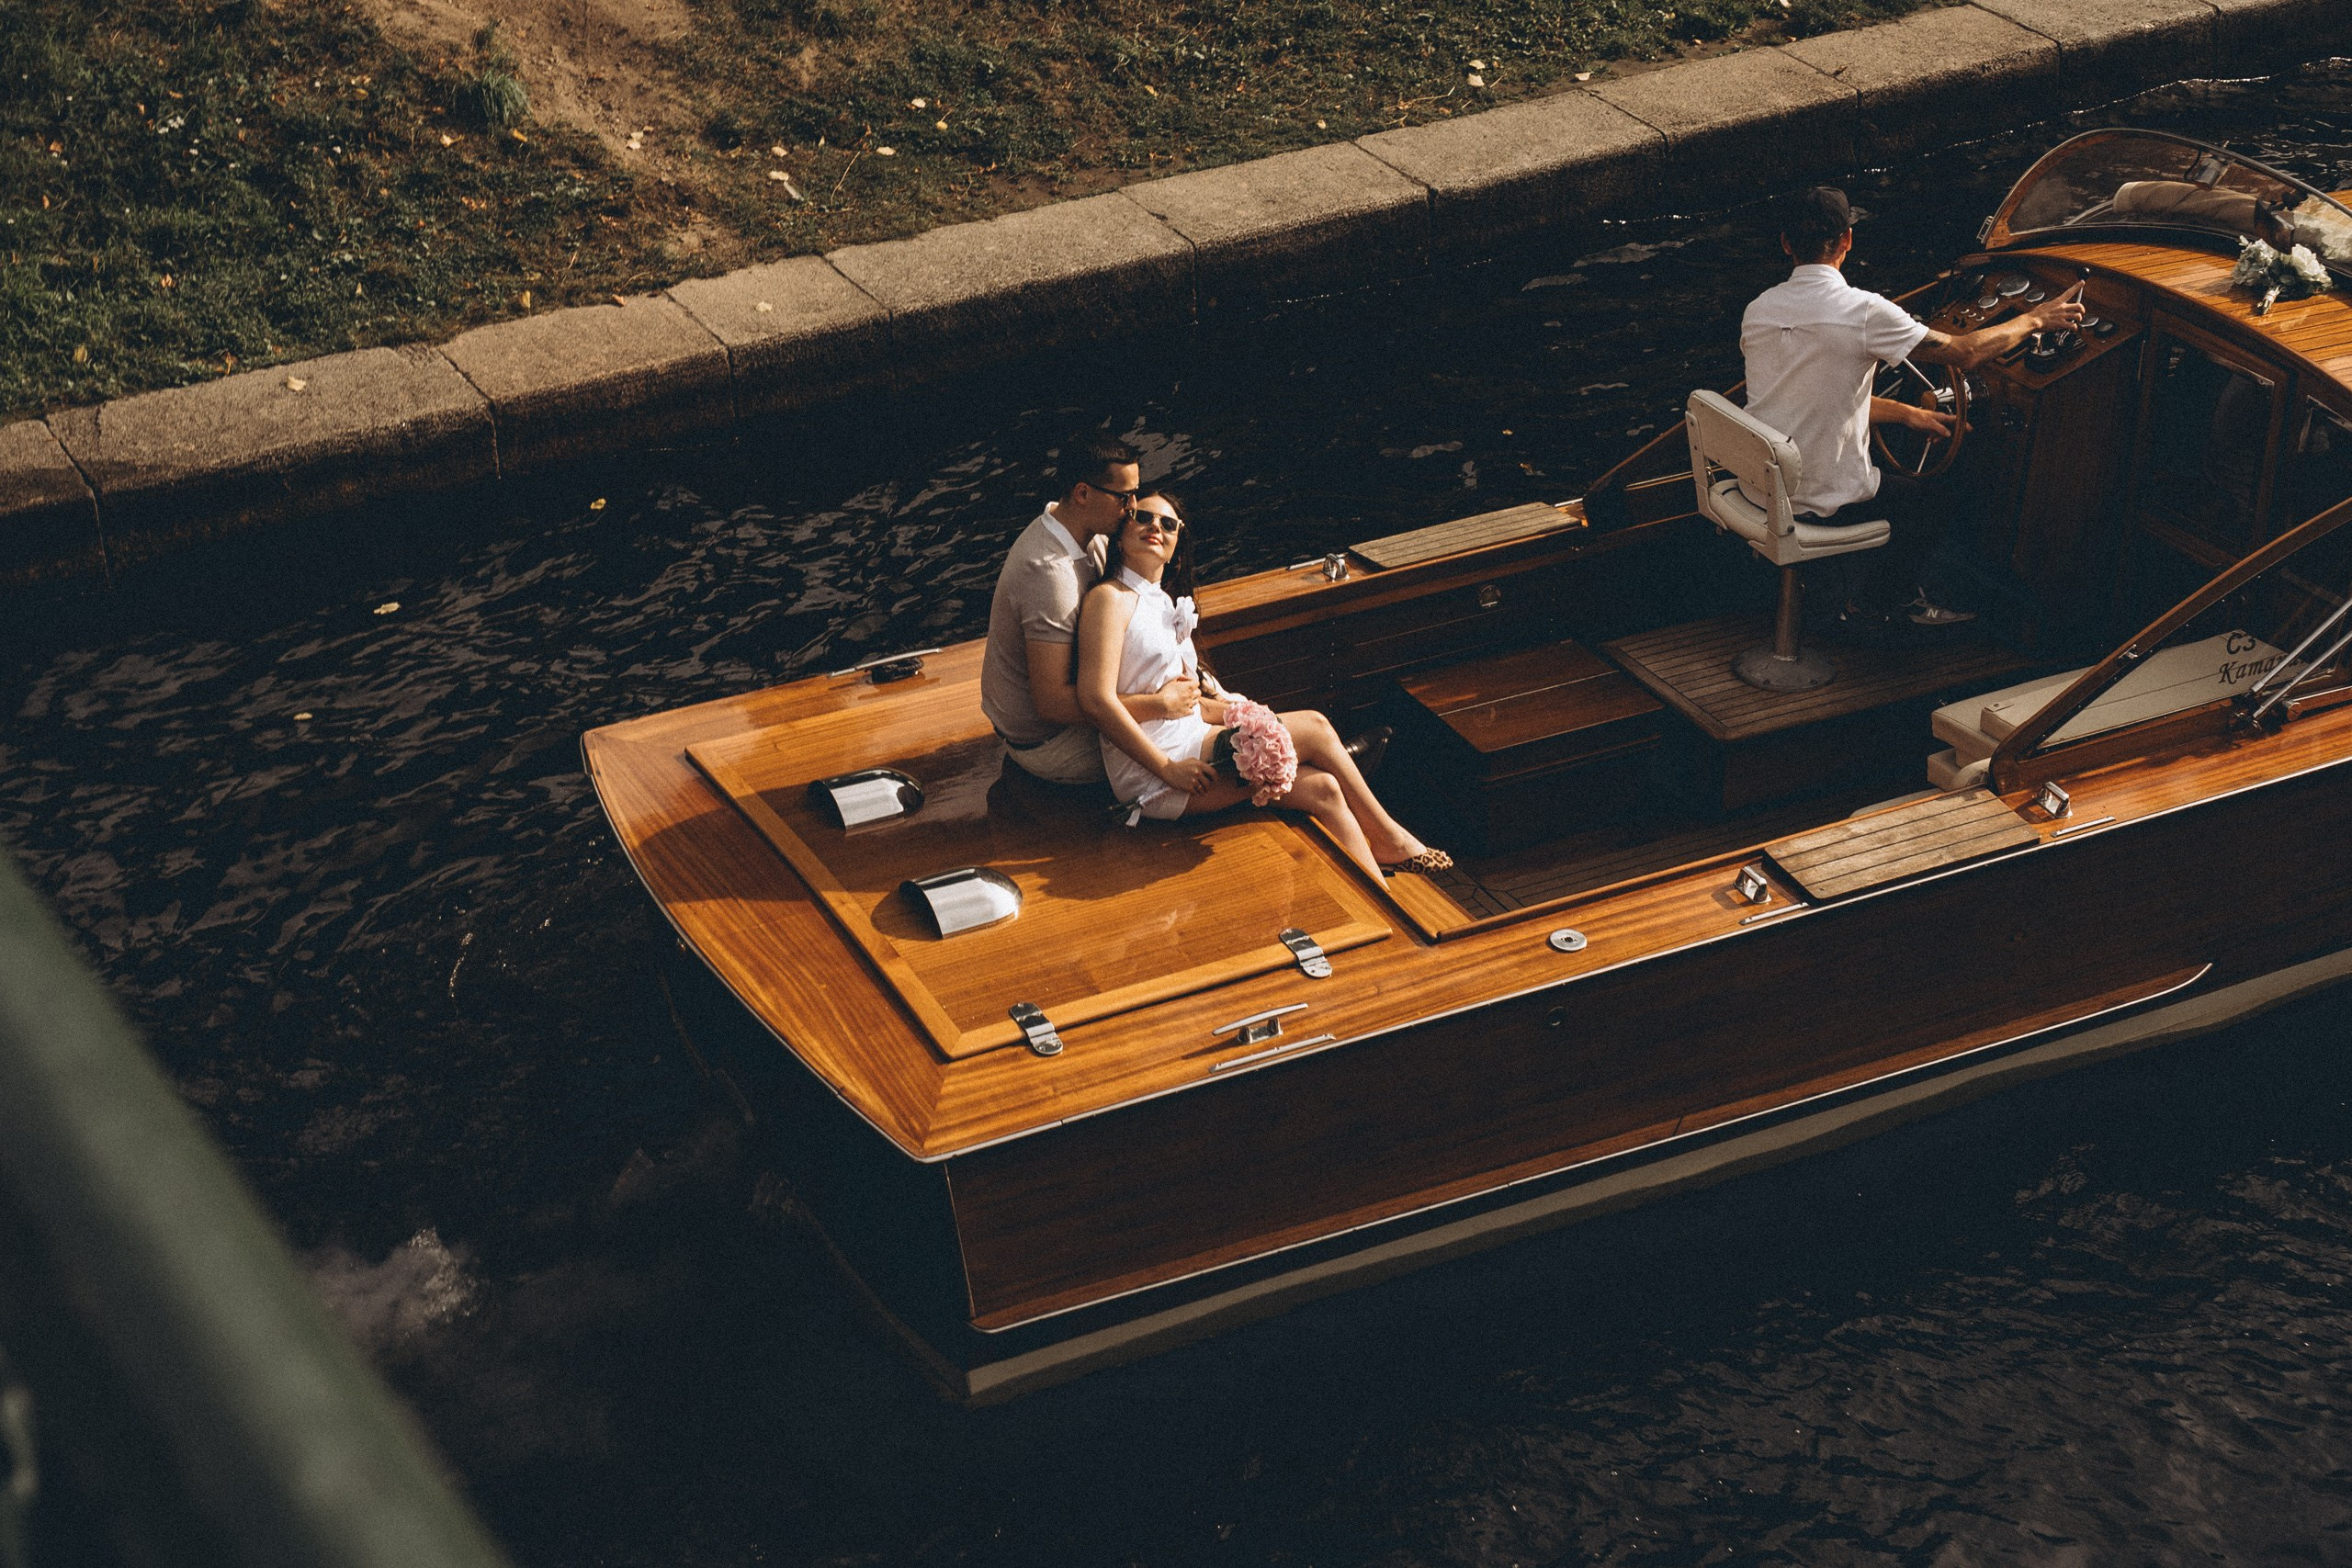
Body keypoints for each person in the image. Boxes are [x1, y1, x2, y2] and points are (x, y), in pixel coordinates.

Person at [1741, 185, 2086, 633]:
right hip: (1815, 499)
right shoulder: (1864, 311)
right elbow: (1965, 353)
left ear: (1786, 244)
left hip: (1760, 487)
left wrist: (1908, 414)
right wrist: (2036, 319)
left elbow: (1812, 398)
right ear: (1847, 240)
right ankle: (1881, 605)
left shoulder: (1759, 309)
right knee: (1936, 501)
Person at [1074, 491, 1451, 881]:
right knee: (1316, 727)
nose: (1155, 526)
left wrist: (1251, 716)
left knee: (1324, 789)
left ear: (1176, 552)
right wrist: (1168, 769)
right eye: (1144, 517)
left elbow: (1190, 703)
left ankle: (1378, 893)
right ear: (1121, 536)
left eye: (1168, 524)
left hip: (1190, 738)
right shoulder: (1110, 599)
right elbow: (1096, 701)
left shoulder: (1165, 604)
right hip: (1155, 767)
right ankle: (1390, 838)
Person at [980, 435, 1200, 784]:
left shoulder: (1084, 530)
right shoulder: (1049, 575)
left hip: (1087, 702)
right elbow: (1052, 704)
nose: (1132, 507)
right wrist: (1159, 705)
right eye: (1124, 497)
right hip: (1048, 741)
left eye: (1135, 494)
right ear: (1082, 493)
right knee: (1199, 750)